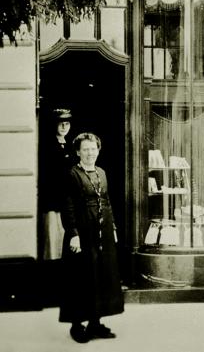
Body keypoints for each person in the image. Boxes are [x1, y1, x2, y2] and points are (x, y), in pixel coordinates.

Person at [59, 132, 124, 343]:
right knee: (81, 277)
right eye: (85, 149)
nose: (90, 153)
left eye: (93, 149)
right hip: (82, 232)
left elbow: (106, 201)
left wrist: (112, 226)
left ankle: (95, 323)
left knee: (101, 276)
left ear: (98, 150)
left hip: (102, 231)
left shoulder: (102, 173)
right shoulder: (72, 174)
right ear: (78, 152)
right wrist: (73, 234)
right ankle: (77, 325)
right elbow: (67, 207)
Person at [39, 108, 73, 260]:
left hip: (67, 202)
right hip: (53, 202)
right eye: (61, 124)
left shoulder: (70, 146)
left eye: (67, 123)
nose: (64, 127)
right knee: (53, 243)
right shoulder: (47, 147)